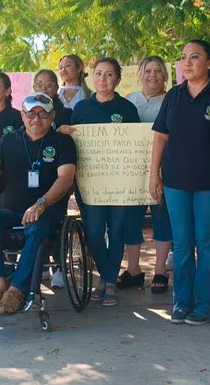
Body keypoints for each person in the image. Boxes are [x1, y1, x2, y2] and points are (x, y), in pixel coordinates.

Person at [151, 40, 210, 326]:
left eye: (195, 57)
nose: (187, 62)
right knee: (181, 244)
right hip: (175, 181)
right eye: (183, 58)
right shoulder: (174, 96)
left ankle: (206, 304)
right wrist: (153, 173)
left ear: (209, 63)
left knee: (206, 242)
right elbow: (160, 136)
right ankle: (182, 301)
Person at [0, 93, 77, 314]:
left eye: (42, 114)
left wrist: (41, 203)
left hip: (48, 210)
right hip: (13, 211)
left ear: (52, 116)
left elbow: (66, 178)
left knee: (37, 224)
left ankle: (17, 289)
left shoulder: (62, 142)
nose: (36, 119)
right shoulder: (8, 140)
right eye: (30, 113)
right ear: (22, 115)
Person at [59, 57, 141, 307]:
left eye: (109, 74)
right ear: (91, 77)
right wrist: (63, 132)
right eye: (98, 74)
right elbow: (71, 145)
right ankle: (107, 277)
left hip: (120, 182)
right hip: (90, 182)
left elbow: (138, 144)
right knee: (94, 233)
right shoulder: (81, 109)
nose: (103, 79)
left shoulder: (127, 109)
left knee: (116, 231)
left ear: (117, 78)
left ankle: (109, 283)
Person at [116, 56, 173, 294]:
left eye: (158, 71)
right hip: (133, 170)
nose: (152, 75)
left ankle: (160, 271)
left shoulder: (173, 99)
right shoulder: (130, 101)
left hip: (164, 168)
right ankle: (134, 270)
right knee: (131, 220)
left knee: (162, 218)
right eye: (147, 70)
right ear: (140, 74)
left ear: (165, 76)